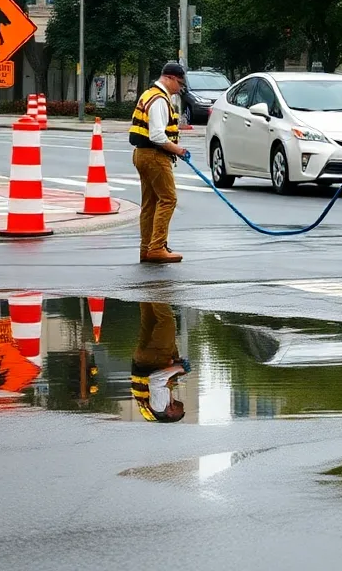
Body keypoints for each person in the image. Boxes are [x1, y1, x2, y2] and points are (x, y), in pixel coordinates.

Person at [129, 62, 189, 264]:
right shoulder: (159, 100)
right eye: (179, 83)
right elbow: (157, 135)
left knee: (150, 203)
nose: (180, 88)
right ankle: (157, 247)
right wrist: (178, 150)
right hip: (154, 155)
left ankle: (147, 248)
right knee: (168, 200)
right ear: (170, 78)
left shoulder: (149, 94)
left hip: (142, 154)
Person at [130, 302, 188, 423]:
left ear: (171, 414)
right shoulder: (155, 405)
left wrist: (178, 368)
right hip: (142, 359)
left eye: (181, 414)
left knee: (167, 322)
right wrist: (175, 366)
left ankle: (156, 291)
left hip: (154, 358)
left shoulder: (160, 406)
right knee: (150, 320)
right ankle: (145, 291)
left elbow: (155, 379)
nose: (183, 410)